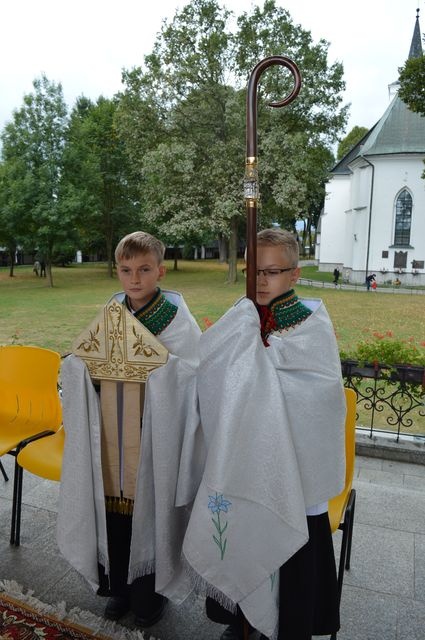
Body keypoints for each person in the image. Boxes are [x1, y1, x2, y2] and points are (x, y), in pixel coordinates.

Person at [183, 228, 346, 640]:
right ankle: (244, 619)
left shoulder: (311, 325)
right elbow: (210, 368)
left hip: (294, 471)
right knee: (241, 534)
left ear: (294, 275)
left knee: (292, 555)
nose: (260, 280)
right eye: (253, 270)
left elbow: (319, 398)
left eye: (271, 272)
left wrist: (260, 366)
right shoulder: (240, 317)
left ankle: (290, 626)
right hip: (245, 460)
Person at [58, 231, 202, 628]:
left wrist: (153, 364)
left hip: (152, 437)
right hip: (111, 435)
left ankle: (149, 595)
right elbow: (89, 356)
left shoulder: (175, 315)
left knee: (149, 514)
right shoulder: (114, 307)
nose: (134, 279)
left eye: (143, 270)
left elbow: (191, 370)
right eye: (125, 270)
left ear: (160, 270)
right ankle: (117, 588)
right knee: (113, 515)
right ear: (117, 272)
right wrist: (78, 363)